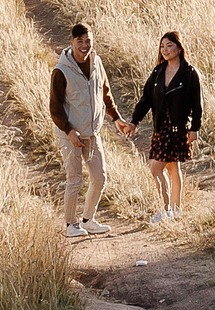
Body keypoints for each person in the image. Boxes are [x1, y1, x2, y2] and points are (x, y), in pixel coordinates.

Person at [49, 23, 123, 239]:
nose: (84, 45)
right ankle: (71, 225)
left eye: (88, 40)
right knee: (74, 180)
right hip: (70, 134)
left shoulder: (97, 62)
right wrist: (69, 131)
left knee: (100, 177)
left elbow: (105, 93)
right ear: (71, 42)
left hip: (92, 132)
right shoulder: (61, 71)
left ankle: (88, 220)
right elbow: (55, 108)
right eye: (79, 41)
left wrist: (116, 118)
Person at [120, 29, 203, 222]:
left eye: (169, 45)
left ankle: (165, 210)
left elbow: (197, 104)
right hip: (160, 127)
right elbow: (146, 100)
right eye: (162, 46)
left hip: (177, 128)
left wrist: (194, 128)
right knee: (172, 167)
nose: (165, 50)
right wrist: (134, 121)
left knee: (155, 168)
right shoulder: (158, 72)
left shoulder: (189, 73)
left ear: (179, 48)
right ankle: (176, 210)